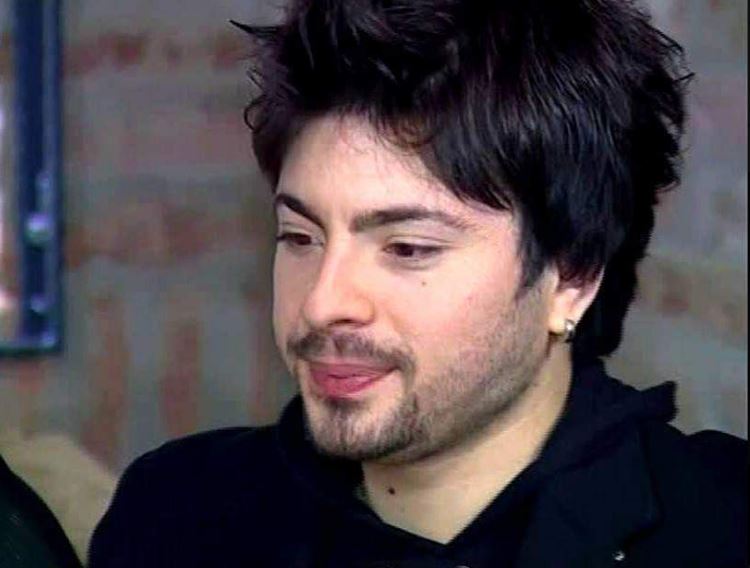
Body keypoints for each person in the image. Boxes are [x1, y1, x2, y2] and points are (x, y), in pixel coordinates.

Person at [88, 0, 747, 566]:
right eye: (300, 237)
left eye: (407, 248)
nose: (323, 303)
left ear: (570, 278)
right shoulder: (176, 517)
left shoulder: (722, 526)